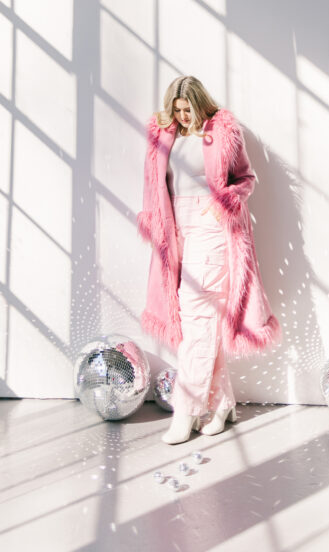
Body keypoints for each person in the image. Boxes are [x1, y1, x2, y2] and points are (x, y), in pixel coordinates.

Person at [137, 76, 281, 444]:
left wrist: (228, 201)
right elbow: (155, 185)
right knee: (198, 318)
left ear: (201, 104)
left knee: (198, 313)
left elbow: (246, 178)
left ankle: (186, 411)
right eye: (177, 110)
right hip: (177, 230)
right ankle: (223, 406)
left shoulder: (223, 130)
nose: (183, 116)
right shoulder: (164, 135)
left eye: (188, 109)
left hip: (213, 229)